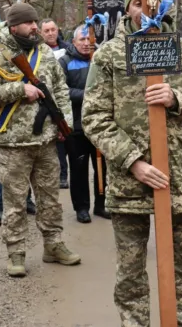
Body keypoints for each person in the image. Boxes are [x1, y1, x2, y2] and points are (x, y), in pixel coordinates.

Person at [83, 0, 182, 326]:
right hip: (130, 181)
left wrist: (179, 98)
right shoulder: (109, 55)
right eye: (137, 2)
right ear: (128, 9)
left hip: (181, 179)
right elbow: (93, 118)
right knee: (131, 272)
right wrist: (134, 162)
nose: (145, 9)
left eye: (153, 1)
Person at [0, 3, 80, 277]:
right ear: (13, 27)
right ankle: (16, 253)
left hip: (46, 141)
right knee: (15, 202)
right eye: (28, 23)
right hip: (12, 143)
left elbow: (60, 88)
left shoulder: (45, 52)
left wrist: (64, 122)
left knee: (50, 199)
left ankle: (53, 246)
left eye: (36, 21)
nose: (35, 27)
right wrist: (19, 89)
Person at [59, 24, 109, 223]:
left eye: (89, 39)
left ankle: (101, 204)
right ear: (74, 42)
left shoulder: (100, 59)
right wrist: (88, 95)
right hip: (76, 126)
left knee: (103, 167)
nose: (87, 44)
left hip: (101, 124)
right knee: (79, 168)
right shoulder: (65, 62)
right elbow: (62, 90)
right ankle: (81, 207)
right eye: (82, 39)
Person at [41, 18, 70, 187]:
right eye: (47, 31)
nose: (51, 33)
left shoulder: (67, 49)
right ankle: (61, 174)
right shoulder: (40, 52)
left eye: (53, 29)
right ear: (41, 33)